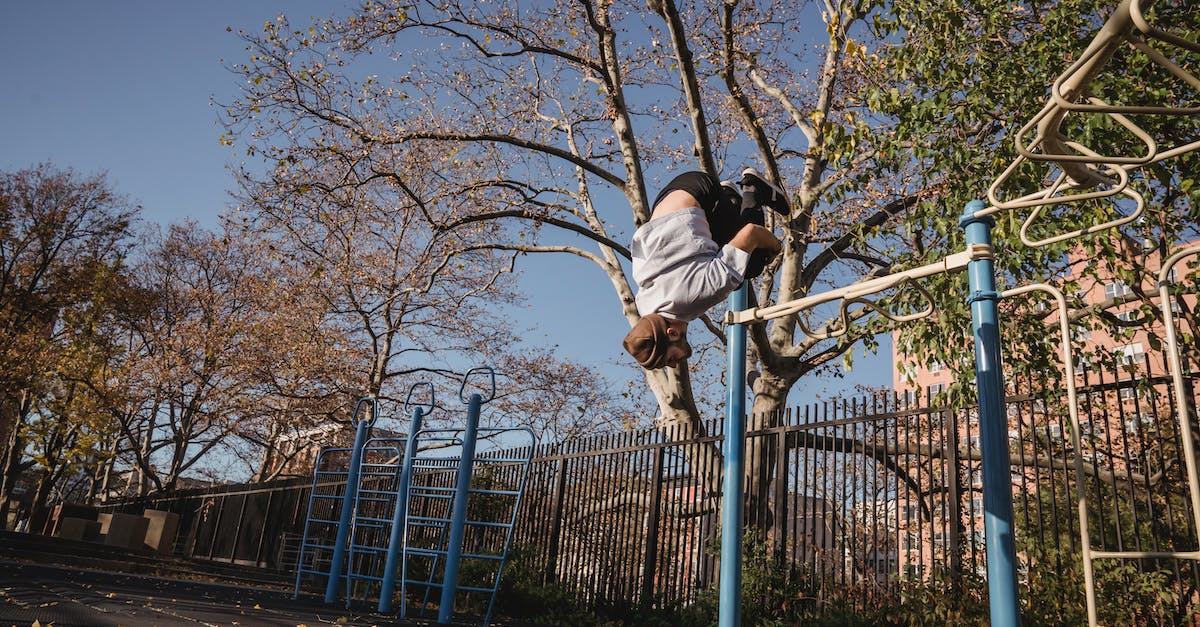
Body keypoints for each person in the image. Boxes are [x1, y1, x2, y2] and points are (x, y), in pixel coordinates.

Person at [623, 169, 788, 370]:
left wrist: (775, 247)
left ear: (672, 333)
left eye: (668, 360)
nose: (674, 365)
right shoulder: (646, 308)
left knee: (750, 266)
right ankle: (730, 199)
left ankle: (753, 189)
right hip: (669, 196)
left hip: (702, 194)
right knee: (725, 263)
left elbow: (750, 234)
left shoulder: (696, 297)